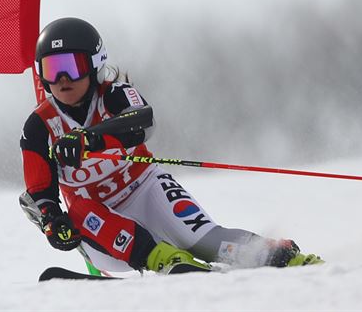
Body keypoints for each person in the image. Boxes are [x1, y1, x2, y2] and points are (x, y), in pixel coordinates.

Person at [20, 17, 322, 274]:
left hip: (147, 190)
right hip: (102, 227)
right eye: (51, 69)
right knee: (79, 212)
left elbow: (142, 122)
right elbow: (40, 191)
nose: (61, 79)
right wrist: (52, 222)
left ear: (94, 64)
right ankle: (164, 259)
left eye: (71, 66)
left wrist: (92, 137)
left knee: (207, 242)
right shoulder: (39, 127)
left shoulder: (114, 94)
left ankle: (282, 257)